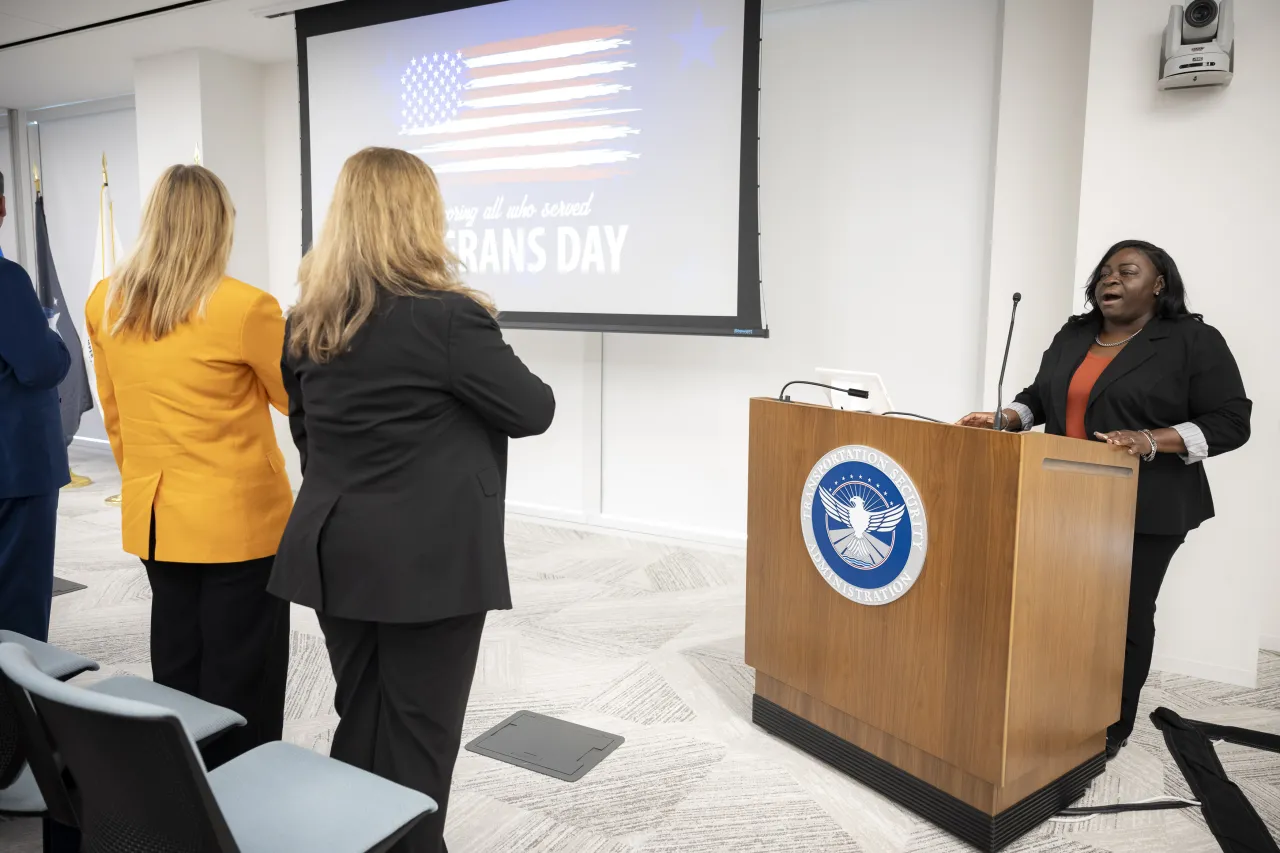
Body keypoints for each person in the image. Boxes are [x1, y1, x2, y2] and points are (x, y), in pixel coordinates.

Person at [270, 147, 555, 853]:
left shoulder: (308, 321)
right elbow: (534, 408)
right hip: (429, 566)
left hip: (335, 552)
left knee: (362, 717)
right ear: (420, 219)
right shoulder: (451, 319)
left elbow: (307, 431)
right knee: (420, 741)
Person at [960, 239, 1250, 759]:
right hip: (1063, 497)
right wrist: (1008, 418)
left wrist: (1149, 440)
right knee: (1055, 608)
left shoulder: (1192, 340)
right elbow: (1042, 395)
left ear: (1159, 285)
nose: (1109, 279)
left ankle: (1107, 725)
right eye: (1103, 272)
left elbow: (1232, 421)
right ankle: (1051, 703)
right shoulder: (1074, 333)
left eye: (1127, 271)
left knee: (1122, 614)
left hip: (1146, 504)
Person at [84, 165, 292, 768]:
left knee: (177, 661)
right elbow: (292, 398)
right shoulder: (247, 307)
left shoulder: (107, 300)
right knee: (243, 674)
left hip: (156, 516)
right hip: (241, 526)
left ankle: (179, 790)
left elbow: (113, 412)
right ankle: (244, 790)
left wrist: (144, 480)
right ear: (218, 226)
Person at [0, 168, 71, 642]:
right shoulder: (6, 279)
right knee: (18, 604)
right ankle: (14, 714)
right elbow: (42, 365)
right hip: (16, 467)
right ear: (2, 206)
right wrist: (55, 340)